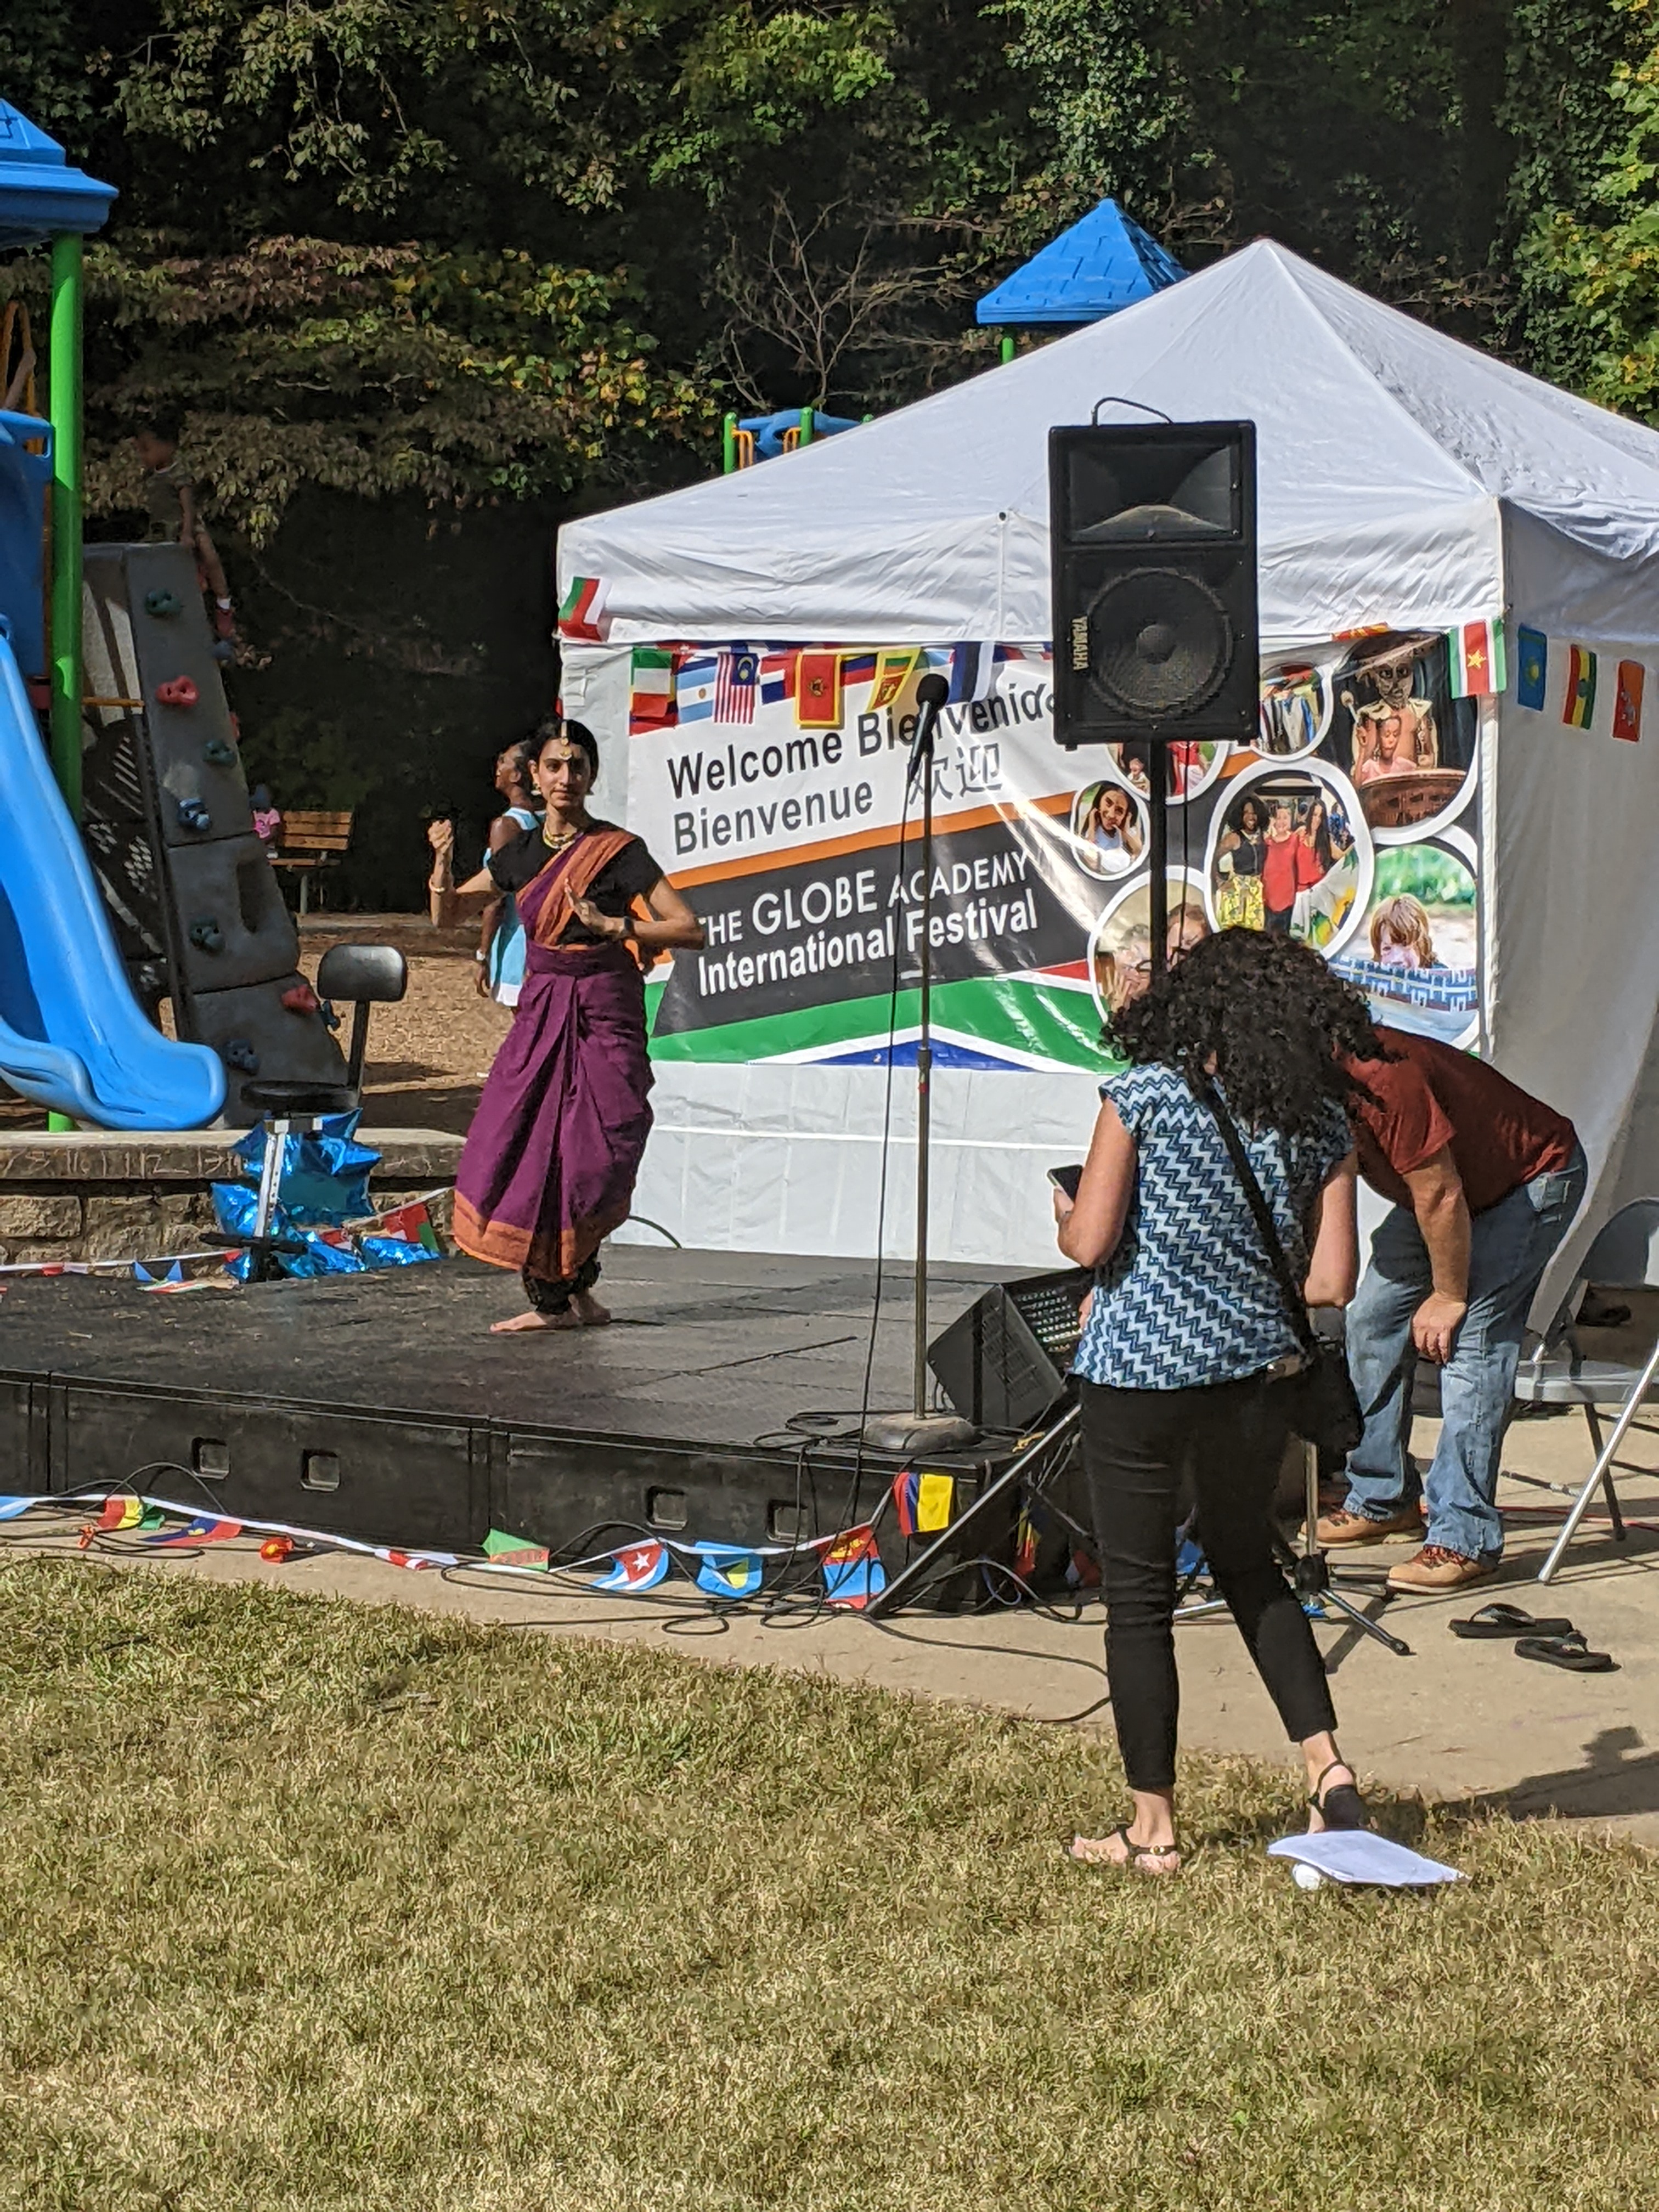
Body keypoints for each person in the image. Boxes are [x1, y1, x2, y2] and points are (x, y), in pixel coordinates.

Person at [1056, 930, 1371, 1874]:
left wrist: (1066, 1215)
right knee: (1251, 1566)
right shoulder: (1320, 1124)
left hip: (1136, 1379)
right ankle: (1326, 1768)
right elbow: (1330, 1282)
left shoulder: (1141, 1097)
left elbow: (1088, 1244)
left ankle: (1150, 1827)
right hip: (1253, 1380)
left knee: (1139, 1597)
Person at [427, 716, 704, 1331]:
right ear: (535, 775)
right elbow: (450, 913)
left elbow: (689, 928)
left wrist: (616, 928)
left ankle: (579, 1283)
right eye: (554, 766)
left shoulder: (618, 852)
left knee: (600, 1149)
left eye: (577, 766)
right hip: (544, 1012)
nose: (566, 778)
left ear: (592, 775)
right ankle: (553, 1300)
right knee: (524, 1143)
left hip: (605, 1010)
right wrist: (442, 866)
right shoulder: (519, 854)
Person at [1318, 1030, 1586, 1590]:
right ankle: (1382, 1497)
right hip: (1452, 1190)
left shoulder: (1382, 1074)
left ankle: (1464, 1537)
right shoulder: (1304, 1079)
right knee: (1370, 1320)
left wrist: (1448, 1295)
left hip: (1527, 1180)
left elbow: (1440, 1195)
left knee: (1473, 1340)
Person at [132, 411, 235, 643]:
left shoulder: (179, 474)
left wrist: (188, 532)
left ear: (168, 447)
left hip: (184, 526)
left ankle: (224, 603)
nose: (143, 456)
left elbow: (188, 508)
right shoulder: (150, 476)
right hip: (160, 529)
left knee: (210, 555)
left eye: (147, 450)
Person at [475, 740, 542, 1006]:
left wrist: (483, 954)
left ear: (517, 775)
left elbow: (497, 897)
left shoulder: (505, 825)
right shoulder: (543, 822)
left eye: (504, 761)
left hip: (517, 941)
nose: (497, 766)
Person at [1261, 799, 1323, 933]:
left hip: (1289, 900)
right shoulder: (1266, 842)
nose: (1282, 821)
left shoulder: (1296, 839)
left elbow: (1310, 851)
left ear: (1291, 820)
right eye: (1279, 818)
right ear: (1274, 821)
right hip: (1267, 900)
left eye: (1286, 817)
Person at [1215, 796, 1267, 930]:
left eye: (1254, 812)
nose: (1251, 816)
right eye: (1246, 813)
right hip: (1238, 892)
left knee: (1256, 935)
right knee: (1235, 934)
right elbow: (1212, 858)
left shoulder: (1263, 836)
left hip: (1257, 890)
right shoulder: (1234, 837)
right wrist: (1220, 882)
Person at [1081, 782, 1143, 873]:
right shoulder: (1092, 829)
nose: (1111, 815)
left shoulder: (1129, 832)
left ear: (1126, 815)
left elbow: (1138, 851)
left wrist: (1124, 832)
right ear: (1099, 804)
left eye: (1119, 811)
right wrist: (1091, 828)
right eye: (1108, 803)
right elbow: (1089, 860)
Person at [1369, 894, 1437, 970]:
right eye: (1387, 949)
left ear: (1423, 947)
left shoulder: (1443, 979)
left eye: (1405, 945)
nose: (1396, 959)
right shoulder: (1368, 977)